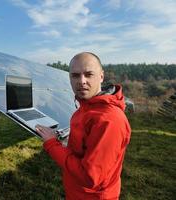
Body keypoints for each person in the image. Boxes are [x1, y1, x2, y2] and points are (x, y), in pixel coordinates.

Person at [35, 52, 131, 200]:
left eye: (88, 74)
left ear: (101, 76)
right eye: (75, 75)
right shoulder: (87, 108)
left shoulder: (109, 120)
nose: (81, 81)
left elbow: (89, 177)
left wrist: (52, 144)